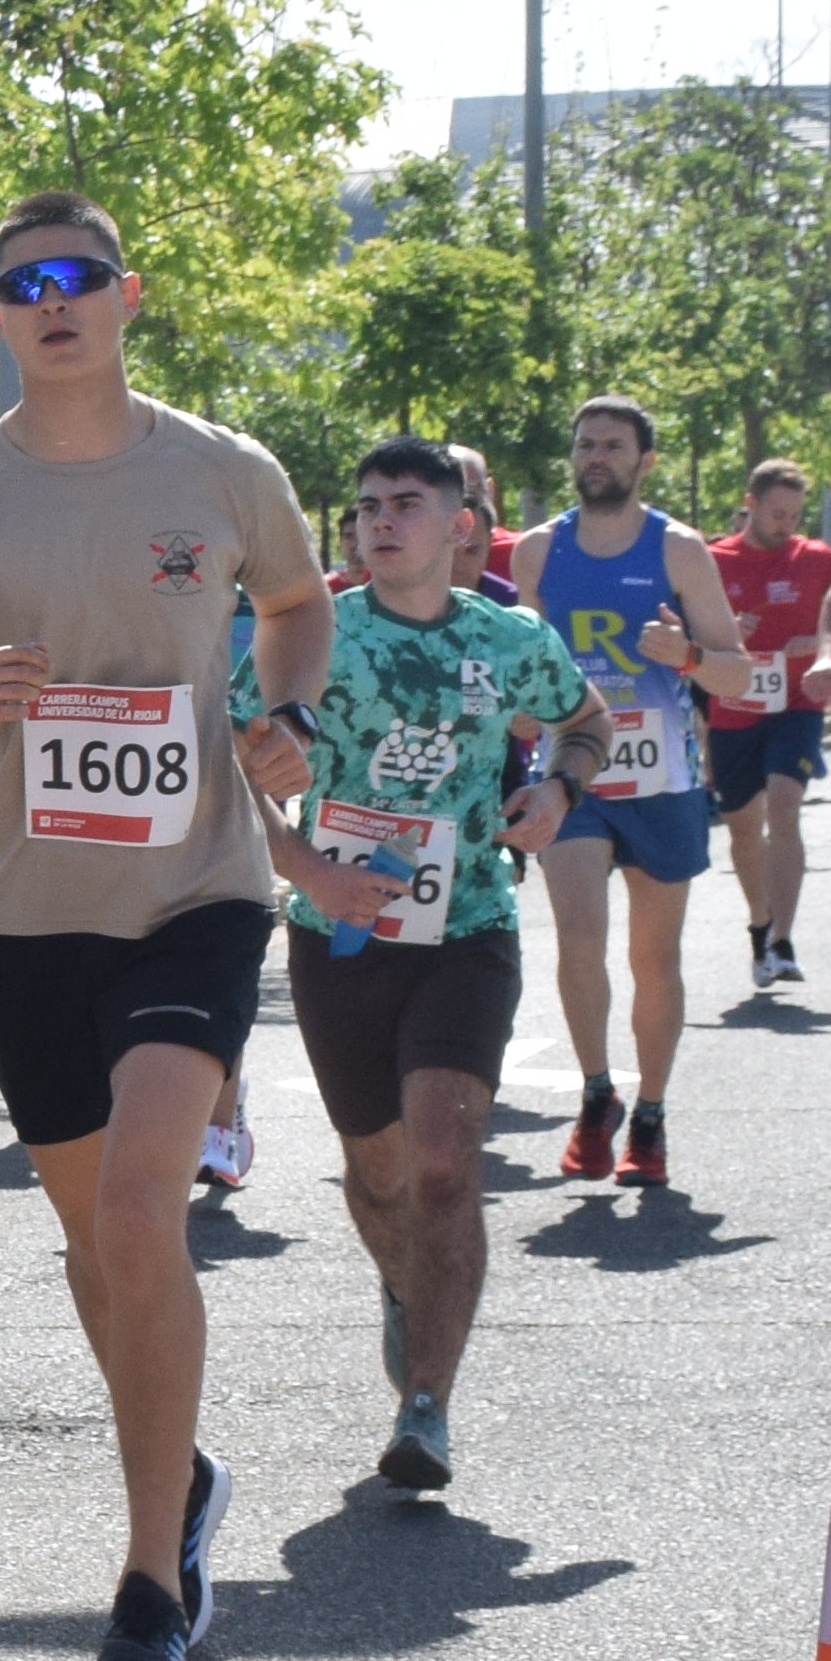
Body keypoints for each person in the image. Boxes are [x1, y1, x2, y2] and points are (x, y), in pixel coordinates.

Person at [0, 192, 329, 1661]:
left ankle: (147, 1596)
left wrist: (286, 713)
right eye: (21, 285)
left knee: (139, 1210)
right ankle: (180, 1476)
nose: (52, 302)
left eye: (79, 279)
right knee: (95, 1249)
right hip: (23, 910)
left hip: (195, 886)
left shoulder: (222, 469)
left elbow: (301, 609)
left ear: (129, 297)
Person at [272, 441, 599, 1495]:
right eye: (365, 505)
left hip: (468, 925)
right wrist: (309, 869)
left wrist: (556, 793)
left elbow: (586, 724)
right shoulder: (315, 636)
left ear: (461, 524)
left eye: (406, 504)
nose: (379, 521)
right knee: (378, 1170)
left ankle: (427, 1405)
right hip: (340, 936)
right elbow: (229, 773)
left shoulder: (509, 638)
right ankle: (408, 1290)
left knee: (446, 1159)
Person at [518, 397, 748, 1191]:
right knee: (578, 938)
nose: (596, 457)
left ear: (644, 460)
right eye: (585, 444)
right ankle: (594, 1095)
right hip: (576, 773)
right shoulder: (539, 552)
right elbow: (523, 675)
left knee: (655, 957)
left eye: (613, 445)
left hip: (663, 780)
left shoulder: (679, 550)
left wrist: (685, 655)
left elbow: (738, 673)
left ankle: (649, 1112)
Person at [700, 462, 831, 994]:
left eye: (794, 515)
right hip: (734, 710)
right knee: (743, 830)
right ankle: (759, 926)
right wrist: (722, 636)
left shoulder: (817, 559)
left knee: (784, 803)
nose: (786, 524)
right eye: (776, 513)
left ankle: (782, 940)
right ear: (751, 504)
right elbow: (683, 633)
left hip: (796, 704)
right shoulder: (713, 562)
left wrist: (824, 649)